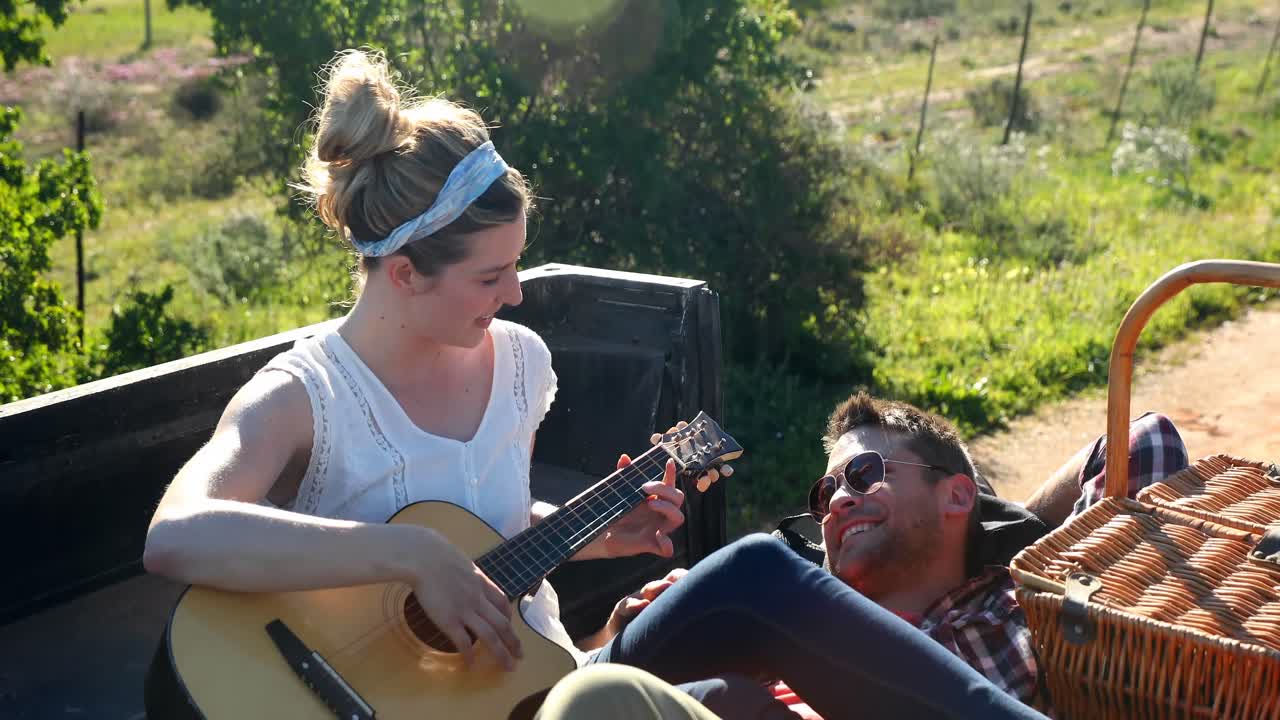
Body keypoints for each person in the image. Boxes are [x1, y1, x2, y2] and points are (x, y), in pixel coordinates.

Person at [141, 48, 711, 672]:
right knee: (751, 576)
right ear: (407, 274)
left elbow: (485, 523)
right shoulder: (303, 397)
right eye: (491, 274)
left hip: (536, 678)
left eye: (516, 265)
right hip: (387, 696)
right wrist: (411, 553)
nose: (517, 293)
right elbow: (176, 536)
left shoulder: (523, 363)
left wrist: (584, 537)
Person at [574, 392, 1189, 719]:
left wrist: (1006, 529)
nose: (838, 500)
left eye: (866, 473)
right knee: (641, 698)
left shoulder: (1027, 600)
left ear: (956, 494)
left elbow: (1145, 439)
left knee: (754, 572)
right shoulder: (795, 639)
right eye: (826, 491)